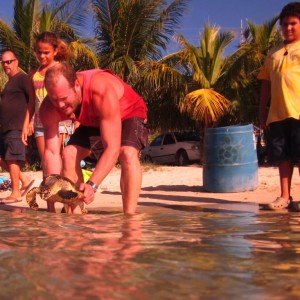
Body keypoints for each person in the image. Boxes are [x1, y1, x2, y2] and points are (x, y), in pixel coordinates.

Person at [38, 63, 148, 214]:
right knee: (69, 153)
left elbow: (112, 148)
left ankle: (130, 219)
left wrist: (92, 185)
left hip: (128, 112)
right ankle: (75, 217)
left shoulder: (100, 90)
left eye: (63, 98)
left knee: (127, 153)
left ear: (76, 85)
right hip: (94, 118)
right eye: (54, 100)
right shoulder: (49, 108)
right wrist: (50, 208)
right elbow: (51, 153)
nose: (60, 105)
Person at [258, 2, 300, 210]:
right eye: (284, 24)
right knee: (282, 157)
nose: (288, 28)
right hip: (277, 114)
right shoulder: (273, 53)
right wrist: (261, 111)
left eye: (293, 23)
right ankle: (284, 196)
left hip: (299, 112)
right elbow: (266, 83)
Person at [22, 32, 74, 165]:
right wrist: (27, 123)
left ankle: (66, 186)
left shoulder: (61, 69)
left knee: (62, 161)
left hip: (61, 123)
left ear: (55, 51)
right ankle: (48, 186)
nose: (42, 56)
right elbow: (32, 102)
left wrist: (77, 120)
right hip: (40, 124)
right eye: (39, 52)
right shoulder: (33, 74)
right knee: (46, 161)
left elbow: (72, 96)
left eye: (46, 52)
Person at [0, 50, 35, 203]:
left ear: (17, 62)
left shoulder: (23, 79)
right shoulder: (10, 82)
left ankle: (15, 193)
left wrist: (32, 121)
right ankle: (24, 180)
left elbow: (34, 100)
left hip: (17, 125)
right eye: (3, 62)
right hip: (6, 127)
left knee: (13, 159)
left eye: (9, 61)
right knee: (3, 158)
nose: (6, 65)